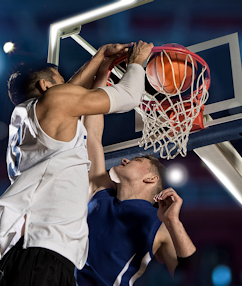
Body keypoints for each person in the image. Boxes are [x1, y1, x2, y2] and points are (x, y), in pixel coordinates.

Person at [0, 40, 154, 286]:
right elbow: (129, 96)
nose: (69, 87)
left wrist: (100, 62)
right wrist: (137, 62)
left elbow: (73, 95)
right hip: (42, 256)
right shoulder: (54, 103)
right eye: (61, 81)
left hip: (26, 256)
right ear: (46, 86)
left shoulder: (25, 120)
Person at [74, 56, 197, 285]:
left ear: (151, 178)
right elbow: (91, 134)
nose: (123, 159)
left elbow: (188, 274)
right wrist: (102, 74)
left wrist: (174, 223)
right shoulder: (99, 190)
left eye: (137, 159)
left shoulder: (160, 225)